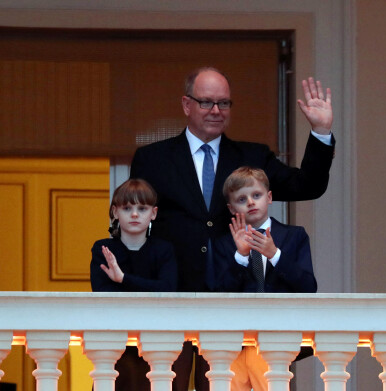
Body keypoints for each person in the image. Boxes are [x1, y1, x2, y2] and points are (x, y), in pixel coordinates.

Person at [130, 66, 334, 391]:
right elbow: (134, 224)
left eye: (224, 103)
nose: (216, 111)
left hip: (231, 306)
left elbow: (306, 185)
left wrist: (321, 132)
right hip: (169, 301)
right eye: (206, 102)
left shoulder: (252, 156)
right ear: (186, 104)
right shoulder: (152, 158)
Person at [214, 166, 316, 391]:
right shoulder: (223, 244)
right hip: (236, 341)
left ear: (269, 198)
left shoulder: (294, 235)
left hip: (275, 338)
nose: (250, 202)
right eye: (242, 199)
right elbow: (219, 291)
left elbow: (308, 286)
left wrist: (275, 255)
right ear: (232, 208)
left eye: (256, 195)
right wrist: (240, 256)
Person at [90, 178, 177, 391]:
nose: (135, 214)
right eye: (127, 208)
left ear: (153, 213)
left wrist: (123, 279)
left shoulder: (163, 249)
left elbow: (168, 290)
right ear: (115, 212)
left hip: (155, 340)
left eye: (142, 208)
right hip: (114, 340)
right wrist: (145, 287)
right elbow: (103, 293)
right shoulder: (103, 248)